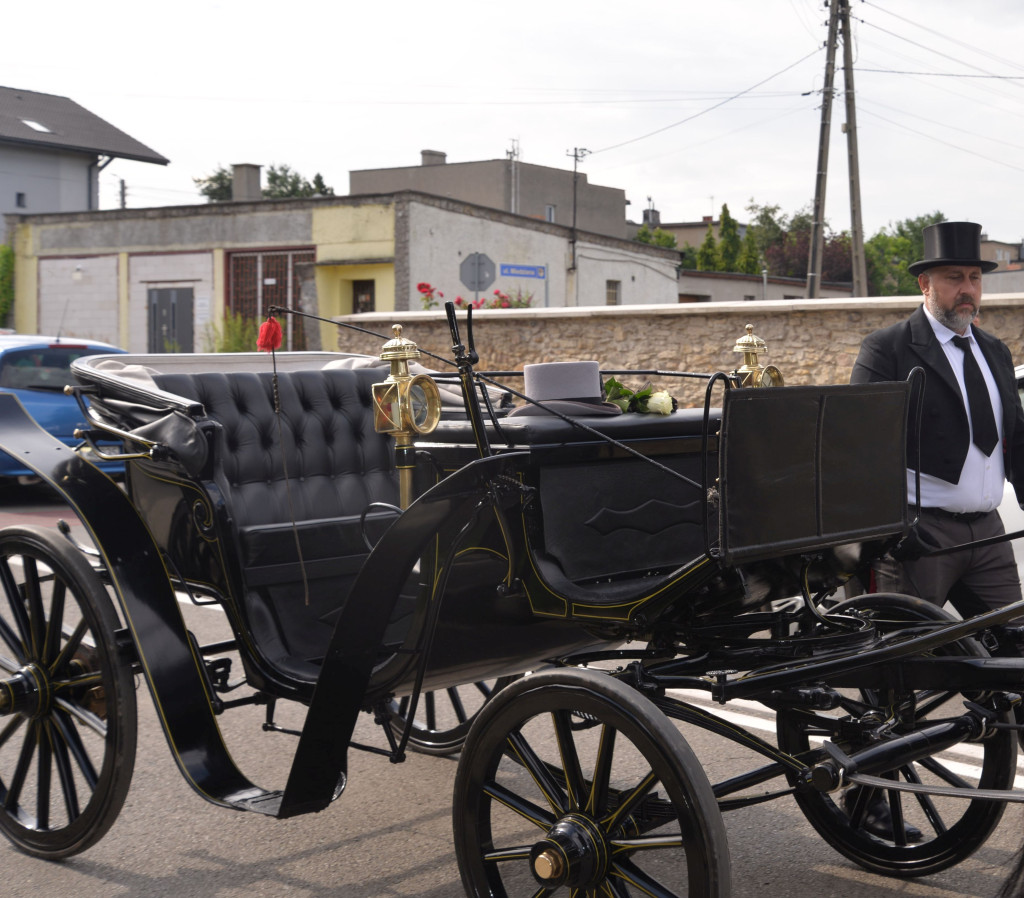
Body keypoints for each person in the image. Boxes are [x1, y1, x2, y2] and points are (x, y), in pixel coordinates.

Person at [848, 220, 1024, 843]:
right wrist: (891, 529)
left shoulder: (995, 351)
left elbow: (1016, 442)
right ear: (926, 283)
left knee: (1018, 657)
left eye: (975, 278)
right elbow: (860, 448)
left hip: (986, 535)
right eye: (954, 278)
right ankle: (868, 803)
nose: (967, 290)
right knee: (899, 679)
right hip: (918, 537)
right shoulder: (889, 347)